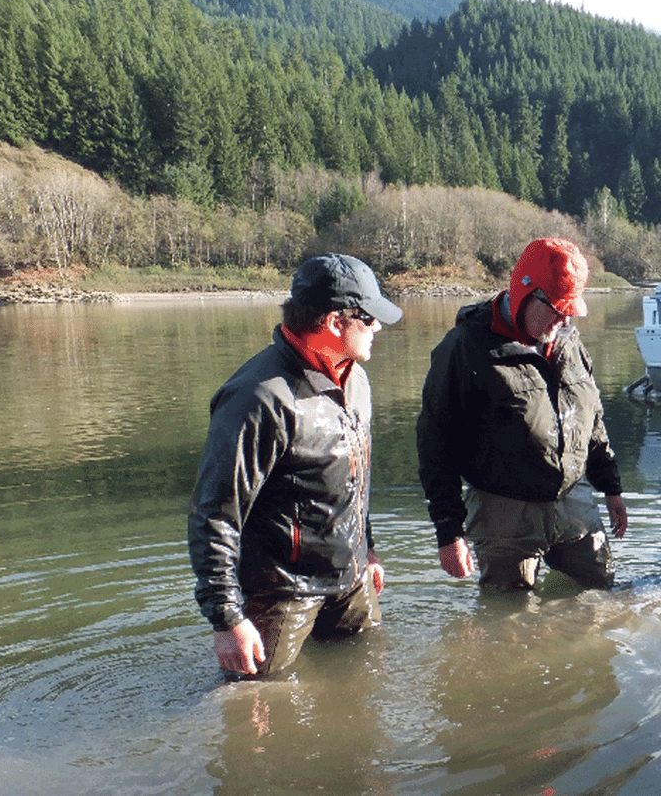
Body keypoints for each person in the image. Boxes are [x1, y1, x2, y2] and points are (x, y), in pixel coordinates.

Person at [187, 252, 402, 678]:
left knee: (367, 680)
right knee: (253, 703)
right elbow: (215, 514)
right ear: (334, 322)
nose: (377, 327)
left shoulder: (355, 378)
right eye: (368, 318)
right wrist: (227, 618)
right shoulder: (258, 398)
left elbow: (355, 474)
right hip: (282, 592)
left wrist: (368, 550)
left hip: (352, 581)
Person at [417, 237, 628, 592]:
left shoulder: (569, 342)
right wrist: (449, 531)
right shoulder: (464, 348)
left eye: (570, 312)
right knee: (509, 618)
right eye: (557, 309)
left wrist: (611, 486)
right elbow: (435, 444)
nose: (563, 321)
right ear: (526, 291)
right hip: (503, 508)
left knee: (600, 592)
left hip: (572, 499)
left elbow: (591, 417)